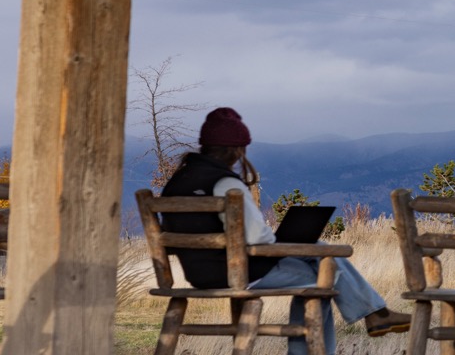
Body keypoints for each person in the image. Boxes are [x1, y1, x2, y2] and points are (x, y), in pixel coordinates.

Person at [161, 107, 411, 354]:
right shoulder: (225, 183)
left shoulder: (177, 182)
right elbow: (259, 238)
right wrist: (281, 241)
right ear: (237, 149)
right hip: (237, 273)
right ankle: (372, 314)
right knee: (323, 277)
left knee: (321, 252)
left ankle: (377, 313)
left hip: (197, 273)